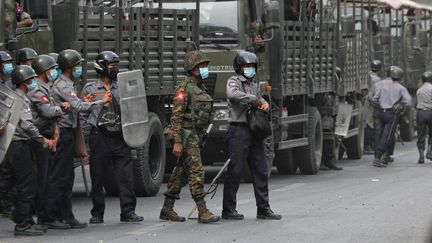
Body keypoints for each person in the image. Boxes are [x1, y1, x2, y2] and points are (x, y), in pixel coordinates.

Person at [44, 49, 111, 229]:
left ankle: (66, 216)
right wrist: (100, 102)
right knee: (59, 176)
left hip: (68, 133)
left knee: (67, 176)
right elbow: (80, 107)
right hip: (63, 133)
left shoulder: (67, 84)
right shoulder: (63, 85)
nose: (79, 68)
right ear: (69, 68)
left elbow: (76, 103)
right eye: (77, 65)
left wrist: (84, 99)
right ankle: (50, 217)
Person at [83, 51, 143, 224]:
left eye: (116, 65)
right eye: (112, 66)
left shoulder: (123, 86)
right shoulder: (90, 88)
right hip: (99, 136)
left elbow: (135, 107)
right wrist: (85, 141)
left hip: (119, 136)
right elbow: (83, 113)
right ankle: (97, 213)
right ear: (101, 67)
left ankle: (128, 212)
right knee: (97, 177)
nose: (115, 69)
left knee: (126, 177)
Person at [161, 51, 220, 224]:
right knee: (196, 172)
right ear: (192, 68)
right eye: (201, 66)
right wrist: (178, 141)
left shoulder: (201, 87)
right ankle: (202, 211)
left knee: (180, 174)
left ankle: (167, 207)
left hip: (196, 135)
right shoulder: (184, 89)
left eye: (205, 66)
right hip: (186, 136)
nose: (205, 69)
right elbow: (176, 118)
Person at [222, 51, 281, 220]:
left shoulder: (255, 84)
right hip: (238, 130)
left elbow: (260, 99)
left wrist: (263, 103)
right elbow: (233, 95)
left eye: (252, 67)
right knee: (235, 170)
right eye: (246, 66)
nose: (249, 69)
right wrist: (252, 100)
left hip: (254, 131)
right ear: (239, 68)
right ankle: (228, 209)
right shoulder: (233, 81)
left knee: (261, 169)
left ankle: (263, 209)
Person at [0, 65, 54, 236]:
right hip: (19, 145)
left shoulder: (13, 97)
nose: (33, 83)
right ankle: (22, 224)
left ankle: (26, 219)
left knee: (15, 182)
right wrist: (42, 139)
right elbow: (27, 124)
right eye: (31, 80)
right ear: (26, 81)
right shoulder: (21, 100)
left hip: (12, 145)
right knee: (26, 184)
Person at [29, 54, 69, 225]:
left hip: (47, 134)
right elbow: (48, 112)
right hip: (40, 137)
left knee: (48, 176)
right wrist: (61, 108)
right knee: (43, 179)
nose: (54, 72)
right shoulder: (37, 89)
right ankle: (44, 217)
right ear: (45, 70)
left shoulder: (46, 87)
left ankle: (46, 215)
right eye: (52, 69)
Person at [371, 66, 411, 167]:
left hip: (381, 112)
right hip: (391, 114)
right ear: (400, 77)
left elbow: (374, 99)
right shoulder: (401, 88)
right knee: (387, 136)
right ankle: (379, 157)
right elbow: (408, 102)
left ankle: (378, 155)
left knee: (379, 134)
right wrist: (402, 111)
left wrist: (381, 105)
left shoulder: (383, 87)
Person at [364, 60, 383, 155]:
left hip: (365, 102)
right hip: (372, 103)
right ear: (379, 69)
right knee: (371, 125)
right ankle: (368, 146)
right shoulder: (378, 80)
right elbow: (378, 94)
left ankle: (367, 145)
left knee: (367, 123)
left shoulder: (367, 76)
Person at [416, 71, 432, 164]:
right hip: (431, 112)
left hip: (421, 113)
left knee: (421, 135)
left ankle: (421, 156)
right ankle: (430, 151)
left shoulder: (419, 90)